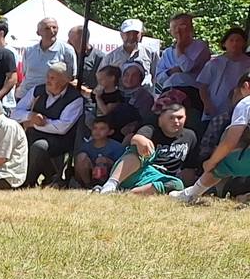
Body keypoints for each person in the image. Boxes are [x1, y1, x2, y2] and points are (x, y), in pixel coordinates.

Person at [171, 67, 250, 202]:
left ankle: (191, 194)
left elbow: (230, 141)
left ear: (246, 87)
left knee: (221, 165)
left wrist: (212, 161)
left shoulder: (246, 103)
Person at [99, 99, 197, 196]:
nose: (176, 121)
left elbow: (189, 168)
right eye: (171, 118)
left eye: (180, 118)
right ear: (160, 120)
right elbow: (136, 138)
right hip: (136, 171)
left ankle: (124, 194)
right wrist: (140, 140)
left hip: (158, 179)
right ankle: (111, 184)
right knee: (137, 149)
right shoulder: (150, 129)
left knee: (177, 184)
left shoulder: (190, 136)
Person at [16, 62, 85, 186]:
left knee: (39, 147)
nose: (48, 80)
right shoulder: (38, 90)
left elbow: (62, 127)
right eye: (47, 76)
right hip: (34, 133)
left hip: (61, 139)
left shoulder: (75, 99)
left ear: (64, 81)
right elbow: (15, 112)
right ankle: (50, 177)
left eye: (52, 78)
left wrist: (34, 124)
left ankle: (26, 182)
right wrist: (29, 116)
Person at [17, 17, 76, 108]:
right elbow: (25, 72)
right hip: (25, 95)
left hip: (49, 98)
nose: (52, 31)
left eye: (54, 27)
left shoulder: (67, 50)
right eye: (47, 28)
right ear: (38, 32)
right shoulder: (29, 50)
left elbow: (71, 77)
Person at [196, 27, 249, 120]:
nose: (235, 43)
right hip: (215, 108)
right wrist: (207, 104)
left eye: (238, 40)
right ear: (224, 43)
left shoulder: (248, 63)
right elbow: (202, 86)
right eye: (231, 40)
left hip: (241, 109)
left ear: (244, 43)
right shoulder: (214, 63)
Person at [70, 117, 126, 188]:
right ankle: (87, 185)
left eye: (102, 129)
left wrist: (108, 161)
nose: (97, 131)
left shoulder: (117, 147)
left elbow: (122, 166)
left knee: (102, 163)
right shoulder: (86, 146)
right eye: (95, 128)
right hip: (89, 175)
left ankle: (108, 185)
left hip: (109, 176)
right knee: (81, 157)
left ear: (110, 132)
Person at [103, 18, 160, 82]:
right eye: (128, 33)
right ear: (121, 34)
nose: (132, 37)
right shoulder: (110, 57)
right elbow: (103, 80)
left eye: (136, 33)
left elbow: (158, 76)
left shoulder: (151, 53)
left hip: (144, 91)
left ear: (141, 34)